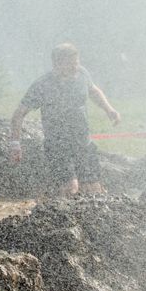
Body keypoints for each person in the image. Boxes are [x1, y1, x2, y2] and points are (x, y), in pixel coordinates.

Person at [9, 43, 120, 196]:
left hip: (83, 143)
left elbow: (93, 90)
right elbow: (19, 114)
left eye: (77, 62)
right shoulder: (43, 85)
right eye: (71, 64)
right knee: (70, 188)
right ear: (57, 64)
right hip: (57, 147)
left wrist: (109, 110)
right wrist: (15, 144)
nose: (76, 67)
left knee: (93, 190)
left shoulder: (82, 73)